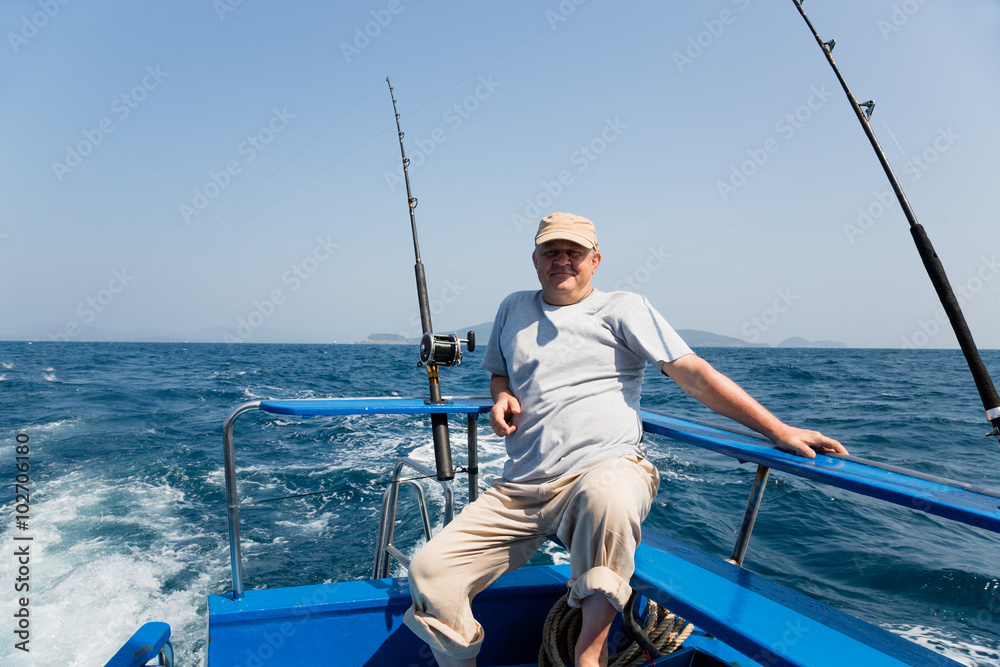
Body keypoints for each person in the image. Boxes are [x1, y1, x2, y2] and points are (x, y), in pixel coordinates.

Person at [403, 212, 847, 667]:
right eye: (551, 251)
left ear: (595, 260)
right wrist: (500, 399)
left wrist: (779, 431)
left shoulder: (623, 307)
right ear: (534, 259)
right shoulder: (513, 307)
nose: (562, 261)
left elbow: (693, 375)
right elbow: (502, 372)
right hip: (522, 486)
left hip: (605, 467)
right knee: (430, 573)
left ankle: (589, 651)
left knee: (607, 498)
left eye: (574, 253)